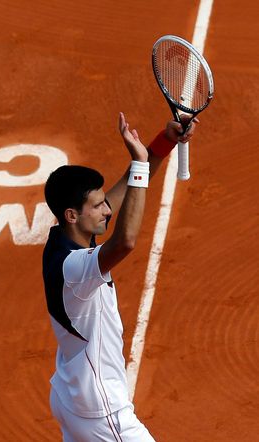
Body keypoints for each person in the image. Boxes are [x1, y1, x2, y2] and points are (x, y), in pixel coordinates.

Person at [41, 112, 198, 441]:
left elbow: (128, 186)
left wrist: (164, 141)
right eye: (98, 206)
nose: (107, 210)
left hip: (72, 394)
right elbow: (125, 241)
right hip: (101, 410)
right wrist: (140, 165)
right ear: (72, 215)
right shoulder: (73, 267)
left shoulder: (67, 237)